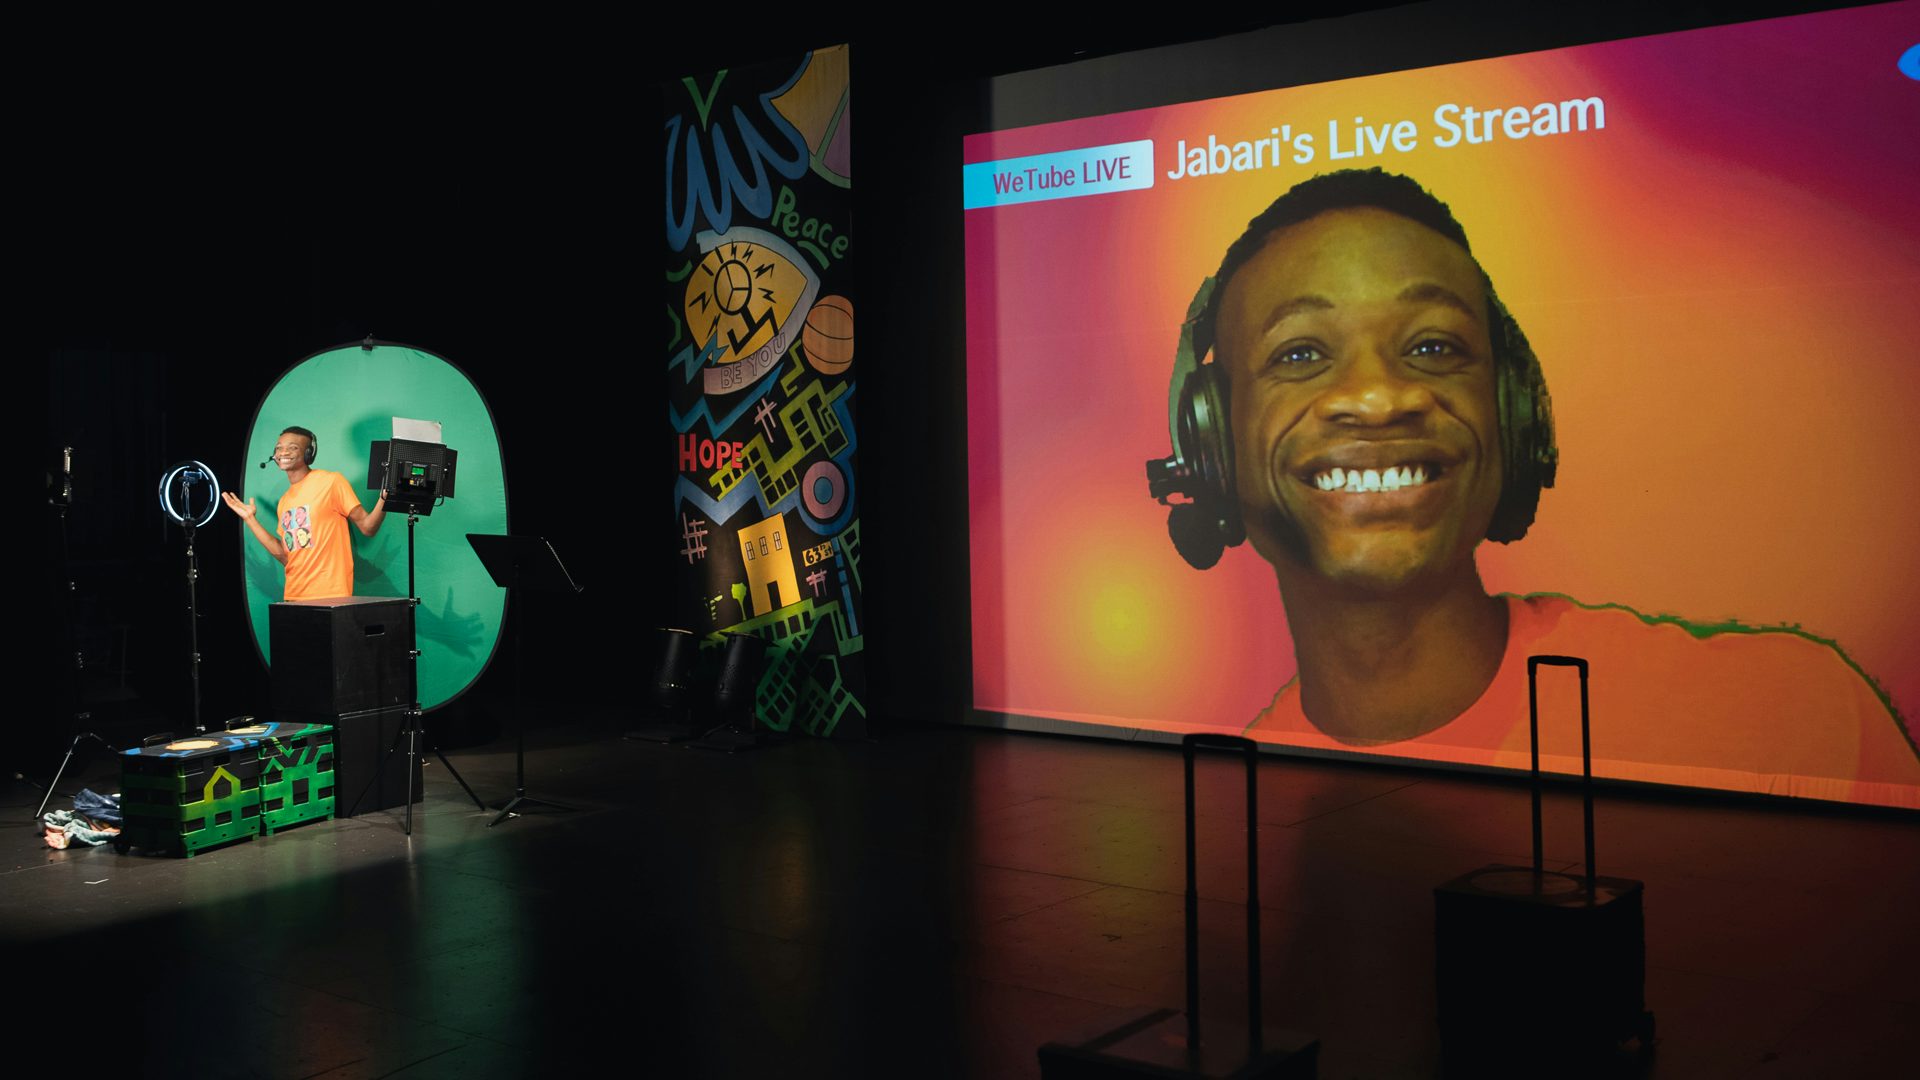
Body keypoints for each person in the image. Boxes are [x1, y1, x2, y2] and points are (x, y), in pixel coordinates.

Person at [1149, 169, 1919, 807]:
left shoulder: (1797, 714)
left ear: (1513, 412)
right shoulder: (1233, 809)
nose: (1380, 398)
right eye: (1300, 354)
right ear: (1211, 441)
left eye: (1433, 345)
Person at [222, 426, 387, 600]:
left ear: (308, 454)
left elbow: (368, 527)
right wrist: (250, 520)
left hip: (331, 595)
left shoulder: (331, 482)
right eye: (279, 448)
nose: (283, 452)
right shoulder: (284, 502)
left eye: (292, 447)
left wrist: (385, 497)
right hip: (293, 596)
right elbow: (287, 557)